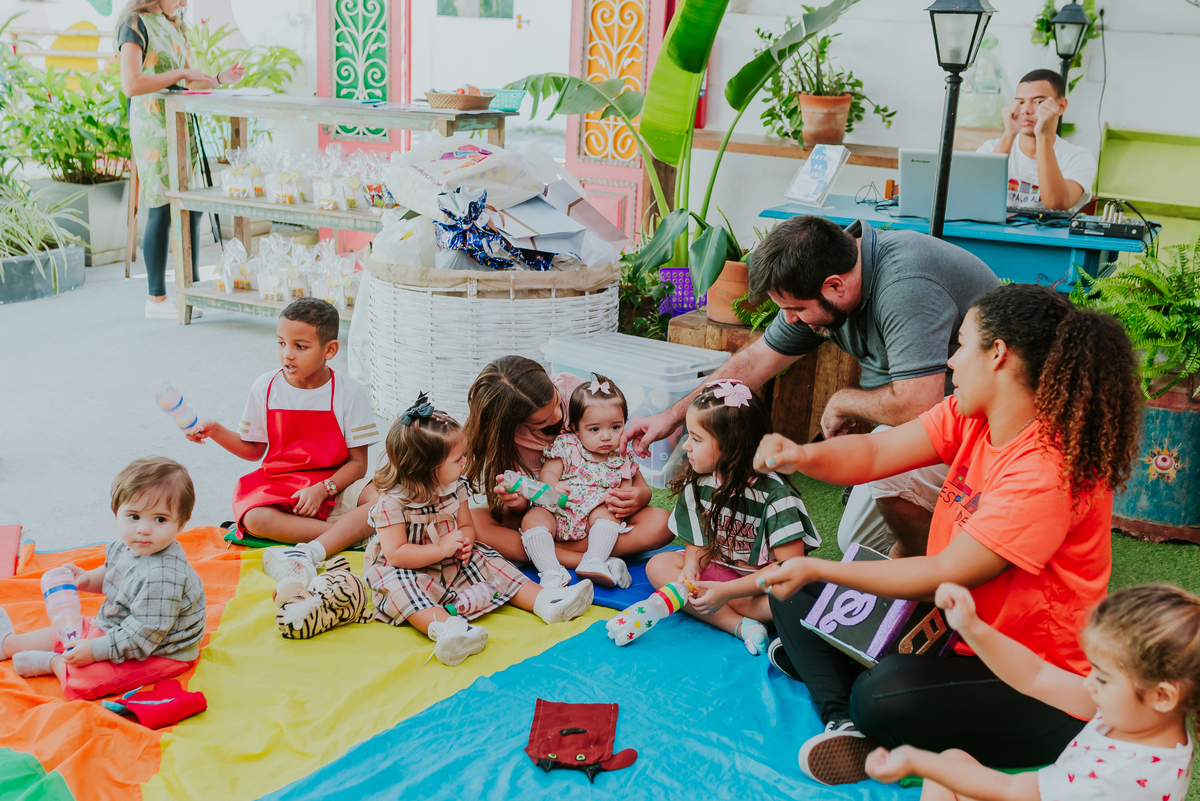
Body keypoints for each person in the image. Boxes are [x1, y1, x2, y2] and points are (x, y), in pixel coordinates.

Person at [751, 284, 1142, 786]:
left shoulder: (1048, 469)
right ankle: (841, 714)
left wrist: (818, 564)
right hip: (949, 632)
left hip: (1035, 684)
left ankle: (842, 687)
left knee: (883, 694)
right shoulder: (972, 415)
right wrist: (800, 454)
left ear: (998, 354)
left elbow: (941, 573)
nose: (952, 362)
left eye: (961, 344)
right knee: (793, 592)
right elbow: (874, 455)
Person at [623, 216, 998, 559]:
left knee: (890, 493)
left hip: (990, 425)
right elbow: (753, 363)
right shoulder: (823, 278)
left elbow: (920, 405)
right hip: (929, 417)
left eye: (796, 310)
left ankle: (930, 569)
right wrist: (672, 417)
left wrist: (843, 401)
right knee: (857, 542)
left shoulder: (906, 285)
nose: (790, 320)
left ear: (835, 286)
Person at [866, 583, 1196, 801]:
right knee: (953, 762)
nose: (1090, 682)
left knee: (943, 771)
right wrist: (972, 625)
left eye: (1104, 678)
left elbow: (1009, 789)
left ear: (1163, 696)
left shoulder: (1116, 776)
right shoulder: (1145, 719)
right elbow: (1035, 676)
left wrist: (915, 760)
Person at [363, 394, 594, 667]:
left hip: (450, 559)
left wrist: (465, 543)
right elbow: (397, 555)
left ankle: (545, 600)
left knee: (490, 560)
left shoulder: (455, 486)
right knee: (398, 586)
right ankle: (447, 628)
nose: (464, 462)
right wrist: (439, 548)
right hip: (409, 568)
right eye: (457, 459)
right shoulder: (393, 503)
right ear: (426, 469)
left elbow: (466, 526)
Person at [188, 298, 381, 560]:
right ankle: (345, 534)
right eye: (281, 343)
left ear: (330, 350)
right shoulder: (264, 387)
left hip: (337, 483)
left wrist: (322, 490)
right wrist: (216, 430)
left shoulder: (349, 393)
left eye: (300, 346)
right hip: (281, 485)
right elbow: (254, 450)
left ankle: (331, 533)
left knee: (384, 498)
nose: (287, 354)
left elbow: (358, 464)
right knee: (254, 518)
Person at [0, 457, 206, 696]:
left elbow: (140, 639)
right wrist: (87, 579)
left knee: (86, 679)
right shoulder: (127, 545)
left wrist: (94, 651)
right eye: (134, 516)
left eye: (160, 519)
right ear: (116, 512)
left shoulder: (163, 578)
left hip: (159, 650)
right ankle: (9, 644)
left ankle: (54, 663)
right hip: (119, 625)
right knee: (71, 629)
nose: (143, 529)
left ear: (181, 523)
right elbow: (111, 573)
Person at [645, 380, 820, 656]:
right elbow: (698, 542)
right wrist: (691, 567)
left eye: (696, 439)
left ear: (731, 445)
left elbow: (788, 569)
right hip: (718, 576)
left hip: (760, 588)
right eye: (688, 436)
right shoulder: (699, 484)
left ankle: (724, 609)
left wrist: (727, 593)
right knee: (659, 566)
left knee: (791, 599)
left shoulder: (775, 496)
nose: (686, 446)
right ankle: (740, 627)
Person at [465, 356, 673, 581]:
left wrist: (638, 498)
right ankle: (590, 559)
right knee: (470, 522)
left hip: (598, 515)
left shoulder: (579, 397)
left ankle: (547, 553)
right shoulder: (512, 440)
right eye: (541, 421)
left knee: (664, 523)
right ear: (515, 423)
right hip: (548, 514)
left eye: (556, 402)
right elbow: (531, 497)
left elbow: (637, 484)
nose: (559, 416)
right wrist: (518, 503)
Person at [117, 0, 244, 319]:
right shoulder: (133, 23)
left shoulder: (173, 25)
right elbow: (131, 84)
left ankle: (191, 289)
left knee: (192, 207)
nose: (185, 2)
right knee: (161, 208)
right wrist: (182, 72)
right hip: (152, 129)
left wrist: (218, 77)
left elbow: (184, 81)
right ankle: (156, 299)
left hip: (179, 123)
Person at [521, 373, 640, 590]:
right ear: (575, 428)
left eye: (615, 427)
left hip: (592, 519)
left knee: (609, 513)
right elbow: (548, 473)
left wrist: (622, 501)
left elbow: (626, 489)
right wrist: (553, 486)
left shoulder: (623, 456)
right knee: (532, 517)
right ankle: (551, 571)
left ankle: (594, 560)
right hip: (558, 509)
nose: (606, 436)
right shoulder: (567, 445)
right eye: (595, 429)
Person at [976, 69, 1097, 213]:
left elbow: (1056, 205)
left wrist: (1043, 135)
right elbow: (978, 195)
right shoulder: (990, 148)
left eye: (1038, 101)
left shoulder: (1077, 157)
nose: (1026, 110)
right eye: (1020, 102)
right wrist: (1009, 134)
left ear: (1061, 106)